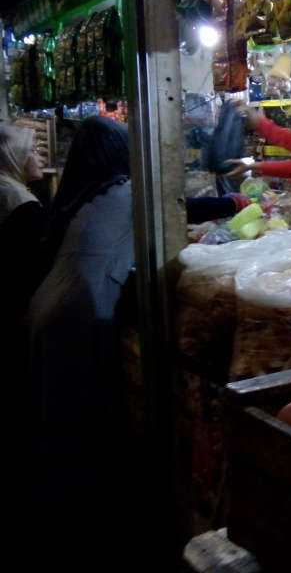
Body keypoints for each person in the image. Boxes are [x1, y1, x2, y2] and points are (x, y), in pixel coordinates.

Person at [24, 116, 138, 566]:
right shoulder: (125, 192)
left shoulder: (86, 193)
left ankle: (67, 525)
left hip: (50, 309)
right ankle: (82, 537)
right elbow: (176, 206)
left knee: (59, 422)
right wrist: (232, 202)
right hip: (74, 318)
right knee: (77, 429)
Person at [0, 124, 45, 342]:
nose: (40, 157)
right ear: (13, 155)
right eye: (33, 151)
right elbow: (28, 267)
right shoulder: (20, 203)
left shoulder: (6, 189)